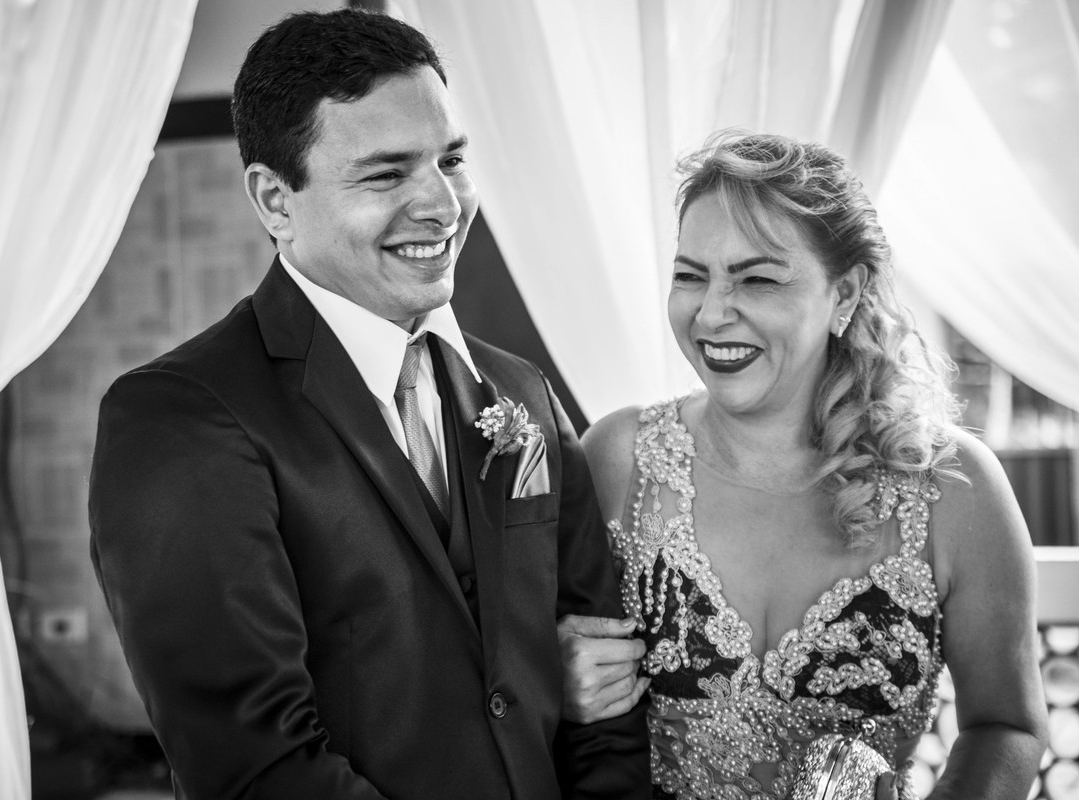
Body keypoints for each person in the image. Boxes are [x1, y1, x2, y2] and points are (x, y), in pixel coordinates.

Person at [87, 8, 649, 800]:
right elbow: (258, 771)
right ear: (275, 200)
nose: (443, 206)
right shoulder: (178, 419)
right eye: (387, 175)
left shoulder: (521, 391)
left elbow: (608, 683)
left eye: (452, 160)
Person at [563, 131, 1048, 799]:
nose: (711, 313)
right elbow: (527, 680)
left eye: (757, 279)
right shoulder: (618, 460)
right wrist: (554, 678)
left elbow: (1006, 726)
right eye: (690, 275)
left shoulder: (955, 489)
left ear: (844, 294)